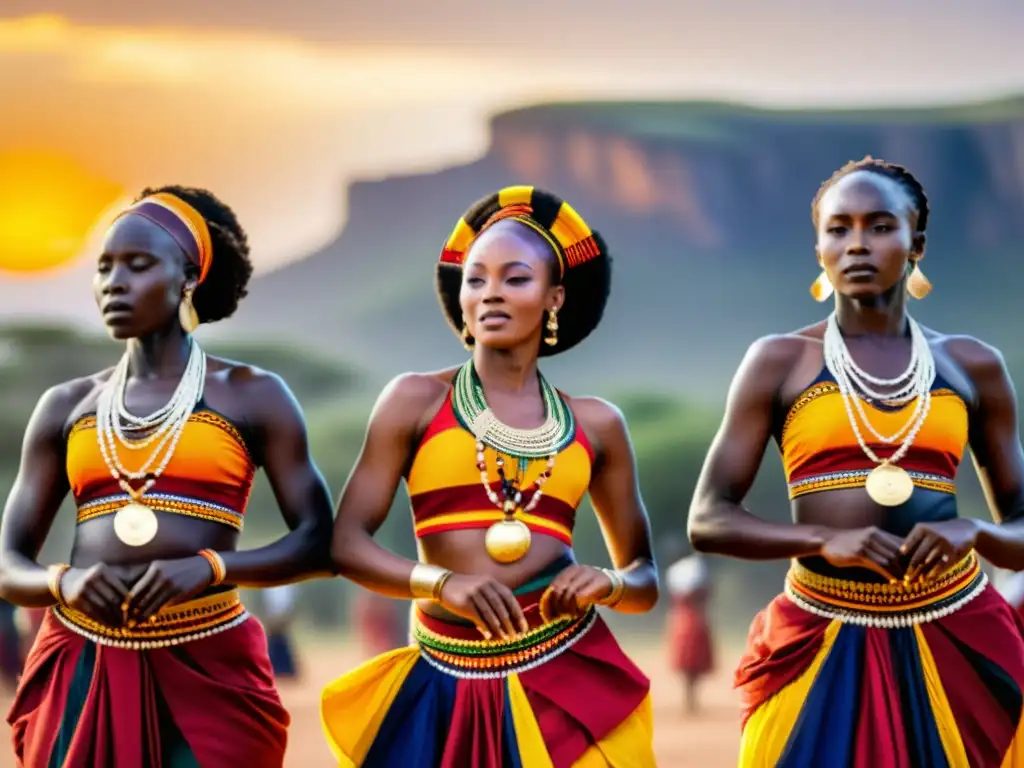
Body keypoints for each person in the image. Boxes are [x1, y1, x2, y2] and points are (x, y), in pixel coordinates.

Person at [688, 157, 1024, 766]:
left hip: (959, 634)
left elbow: (1022, 527)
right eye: (838, 229)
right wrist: (821, 538)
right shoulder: (779, 360)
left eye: (880, 226)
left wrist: (974, 530)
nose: (858, 244)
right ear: (818, 247)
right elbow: (709, 519)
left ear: (916, 241)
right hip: (816, 633)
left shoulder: (973, 366)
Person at [321, 186, 659, 766]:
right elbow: (344, 545)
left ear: (555, 297)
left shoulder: (597, 426)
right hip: (440, 685)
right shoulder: (415, 402)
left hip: (564, 679)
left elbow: (644, 579)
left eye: (515, 278)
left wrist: (605, 582)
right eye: (476, 279)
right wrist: (441, 583)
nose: (491, 293)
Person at [0, 186, 334, 767]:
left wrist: (211, 567)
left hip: (210, 664)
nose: (113, 282)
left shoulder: (252, 395)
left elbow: (318, 541)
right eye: (104, 267)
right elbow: (7, 563)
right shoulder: (67, 405)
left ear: (187, 278)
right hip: (83, 663)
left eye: (137, 263)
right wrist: (63, 584)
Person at [664, 551, 714, 715]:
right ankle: (691, 698)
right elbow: (707, 594)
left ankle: (690, 698)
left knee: (688, 663)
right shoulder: (696, 570)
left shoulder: (674, 573)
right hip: (695, 620)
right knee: (693, 663)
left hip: (679, 620)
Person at [263, 584, 301, 681]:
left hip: (282, 612)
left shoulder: (287, 583)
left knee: (281, 639)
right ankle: (274, 669)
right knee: (275, 640)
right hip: (273, 612)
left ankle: (285, 669)